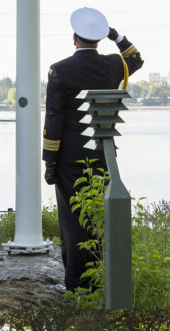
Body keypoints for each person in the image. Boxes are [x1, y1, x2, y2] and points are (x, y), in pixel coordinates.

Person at [42, 7, 144, 291]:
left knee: (72, 221)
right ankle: (100, 278)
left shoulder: (59, 70)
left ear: (74, 37)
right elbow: (135, 58)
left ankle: (77, 284)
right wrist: (115, 35)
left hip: (70, 158)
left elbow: (54, 117)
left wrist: (49, 160)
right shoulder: (113, 66)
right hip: (103, 155)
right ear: (99, 39)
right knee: (99, 218)